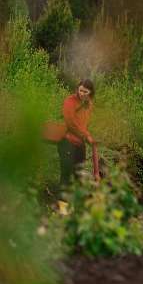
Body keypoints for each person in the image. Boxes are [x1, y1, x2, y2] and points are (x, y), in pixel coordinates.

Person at [57, 78, 96, 214]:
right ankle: (64, 210)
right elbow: (71, 123)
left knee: (78, 175)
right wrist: (86, 136)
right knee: (66, 175)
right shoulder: (70, 101)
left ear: (90, 92)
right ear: (77, 88)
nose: (82, 93)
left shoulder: (90, 105)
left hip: (79, 144)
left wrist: (88, 138)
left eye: (85, 92)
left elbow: (85, 125)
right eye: (80, 90)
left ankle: (77, 208)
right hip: (67, 142)